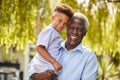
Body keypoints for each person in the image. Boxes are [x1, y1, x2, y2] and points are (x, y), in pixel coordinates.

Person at [29, 12, 98, 80]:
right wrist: (40, 76)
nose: (74, 32)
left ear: (84, 33)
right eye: (71, 28)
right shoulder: (50, 46)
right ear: (66, 29)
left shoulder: (89, 57)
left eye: (79, 29)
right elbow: (30, 74)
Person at [27, 4, 74, 80]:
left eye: (65, 24)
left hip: (49, 71)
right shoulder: (50, 31)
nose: (61, 25)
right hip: (43, 70)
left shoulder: (55, 33)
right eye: (60, 21)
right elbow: (39, 48)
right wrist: (54, 62)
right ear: (53, 18)